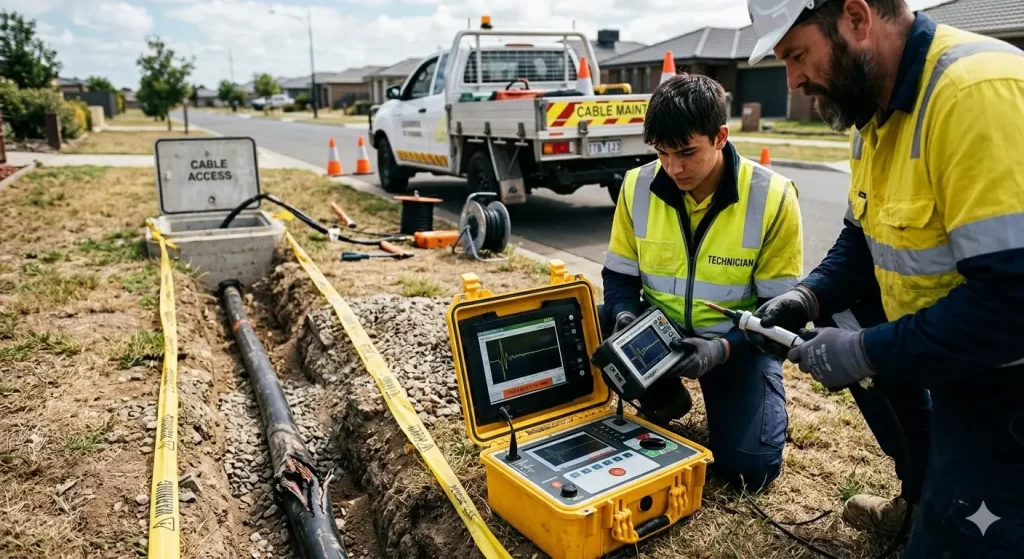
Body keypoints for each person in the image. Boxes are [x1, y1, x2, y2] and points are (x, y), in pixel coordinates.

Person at [745, 0, 1024, 555]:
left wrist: (866, 352)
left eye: (797, 55)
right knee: (850, 318)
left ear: (856, 17)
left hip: (1007, 384)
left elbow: (1013, 302)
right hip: (962, 366)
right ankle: (922, 495)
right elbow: (861, 239)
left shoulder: (975, 95)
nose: (793, 80)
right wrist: (807, 297)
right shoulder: (871, 114)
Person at [598, 72, 804, 493]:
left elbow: (779, 315)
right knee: (595, 319)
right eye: (662, 152)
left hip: (737, 345)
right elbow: (619, 274)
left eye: (686, 152)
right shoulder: (637, 186)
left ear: (720, 137)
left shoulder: (773, 197)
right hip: (659, 335)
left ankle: (737, 402)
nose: (673, 168)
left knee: (750, 471)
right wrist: (624, 317)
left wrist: (722, 350)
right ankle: (664, 396)